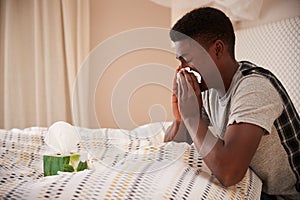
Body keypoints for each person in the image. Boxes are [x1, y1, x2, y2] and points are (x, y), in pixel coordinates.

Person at [164, 7, 300, 200]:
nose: (182, 70)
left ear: (218, 49)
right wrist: (180, 118)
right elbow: (174, 144)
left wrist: (192, 118)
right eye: (180, 61)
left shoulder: (254, 88)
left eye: (188, 60)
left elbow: (229, 173)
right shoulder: (211, 89)